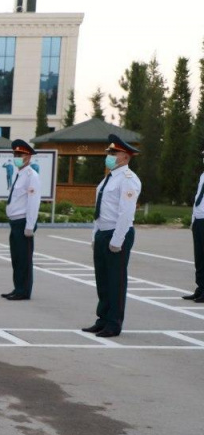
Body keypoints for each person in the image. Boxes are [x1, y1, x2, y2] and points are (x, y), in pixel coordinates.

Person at [82, 134, 141, 338]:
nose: (110, 155)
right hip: (103, 232)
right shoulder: (109, 177)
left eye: (114, 153)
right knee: (103, 280)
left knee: (115, 280)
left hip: (117, 234)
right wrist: (94, 234)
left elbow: (126, 213)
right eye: (110, 152)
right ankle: (103, 319)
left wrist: (117, 240)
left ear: (125, 157)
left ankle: (114, 323)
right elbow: (101, 210)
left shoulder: (128, 179)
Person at [1, 140, 41, 301]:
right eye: (15, 154)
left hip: (24, 222)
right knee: (17, 257)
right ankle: (18, 288)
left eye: (20, 155)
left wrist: (30, 225)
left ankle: (24, 291)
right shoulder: (19, 174)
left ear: (28, 157)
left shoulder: (32, 176)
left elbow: (33, 202)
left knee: (24, 258)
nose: (16, 157)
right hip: (16, 222)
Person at [182, 147, 204, 303]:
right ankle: (200, 288)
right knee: (199, 257)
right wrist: (193, 219)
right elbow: (198, 198)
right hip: (199, 219)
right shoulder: (203, 175)